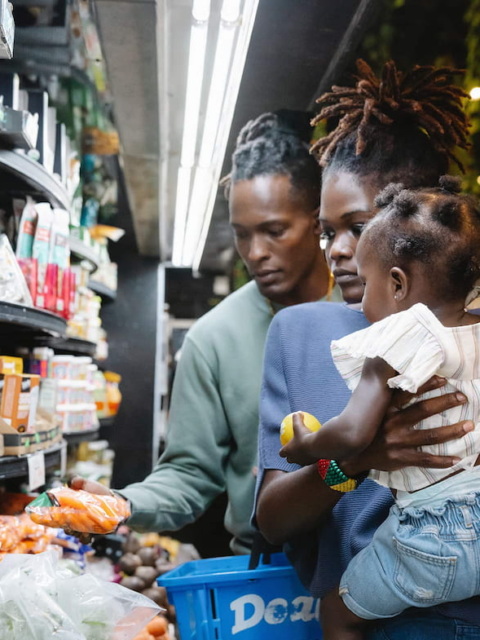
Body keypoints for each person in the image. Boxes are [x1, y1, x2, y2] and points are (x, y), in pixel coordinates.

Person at [255, 59, 480, 638]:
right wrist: (352, 462)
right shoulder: (300, 332)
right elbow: (273, 519)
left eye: (358, 226)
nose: (337, 250)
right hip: (382, 614)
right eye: (328, 231)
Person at [70, 110, 341, 554]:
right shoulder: (213, 338)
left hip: (373, 563)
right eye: (242, 235)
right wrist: (122, 503)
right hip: (265, 578)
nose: (256, 253)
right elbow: (190, 474)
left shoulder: (366, 308)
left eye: (275, 231)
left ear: (316, 220)